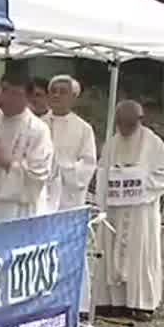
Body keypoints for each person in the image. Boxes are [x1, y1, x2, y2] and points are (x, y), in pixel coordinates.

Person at [95, 100, 164, 321]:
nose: (125, 129)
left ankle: (141, 303)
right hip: (115, 210)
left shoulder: (153, 143)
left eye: (129, 124)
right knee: (110, 250)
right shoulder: (112, 143)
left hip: (140, 211)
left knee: (140, 254)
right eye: (121, 124)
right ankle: (113, 301)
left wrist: (138, 179)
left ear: (139, 121)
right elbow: (101, 171)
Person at [47, 75, 99, 313]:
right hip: (44, 199)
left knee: (71, 251)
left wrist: (63, 169)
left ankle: (78, 305)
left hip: (69, 199)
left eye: (62, 91)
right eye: (53, 91)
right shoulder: (38, 124)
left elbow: (87, 165)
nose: (56, 95)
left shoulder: (83, 129)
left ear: (73, 97)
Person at [0, 77, 56, 223]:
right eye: (3, 90)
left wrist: (7, 162)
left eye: (11, 92)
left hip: (19, 210)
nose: (3, 96)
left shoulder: (38, 130)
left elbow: (39, 175)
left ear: (26, 97)